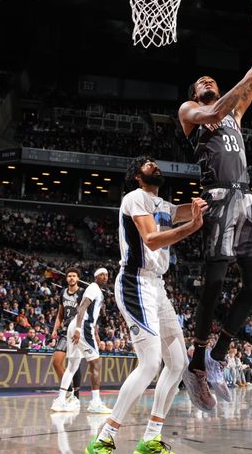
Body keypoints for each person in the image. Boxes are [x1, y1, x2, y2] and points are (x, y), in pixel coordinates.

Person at [177, 14, 252, 410]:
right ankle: (195, 366)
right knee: (214, 282)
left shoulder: (236, 115)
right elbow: (216, 110)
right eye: (201, 81)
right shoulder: (191, 111)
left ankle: (218, 356)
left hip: (247, 200)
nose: (207, 82)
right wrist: (248, 74)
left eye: (212, 80)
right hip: (219, 197)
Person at [86, 156, 206, 454]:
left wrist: (205, 203)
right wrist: (193, 225)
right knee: (151, 362)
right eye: (148, 165)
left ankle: (150, 438)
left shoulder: (161, 204)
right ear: (138, 176)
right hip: (134, 282)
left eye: (156, 163)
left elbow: (177, 212)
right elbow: (152, 239)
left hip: (156, 285)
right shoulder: (135, 197)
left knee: (178, 363)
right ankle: (103, 437)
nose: (155, 166)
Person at [53, 267, 110, 414]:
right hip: (82, 327)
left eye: (107, 275)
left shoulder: (98, 291)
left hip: (76, 326)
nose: (105, 277)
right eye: (101, 275)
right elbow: (82, 307)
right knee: (96, 364)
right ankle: (95, 402)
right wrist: (78, 329)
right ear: (95, 277)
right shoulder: (93, 287)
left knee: (72, 366)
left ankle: (60, 400)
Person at [51, 268, 85, 406]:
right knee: (56, 361)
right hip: (65, 330)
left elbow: (84, 312)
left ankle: (76, 395)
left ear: (78, 278)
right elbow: (60, 313)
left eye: (74, 276)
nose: (71, 278)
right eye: (69, 276)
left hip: (77, 331)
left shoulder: (82, 293)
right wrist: (55, 329)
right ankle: (69, 389)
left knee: (73, 363)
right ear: (66, 279)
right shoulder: (62, 293)